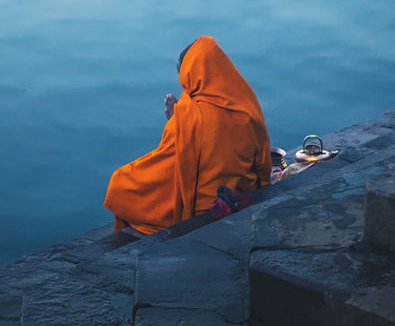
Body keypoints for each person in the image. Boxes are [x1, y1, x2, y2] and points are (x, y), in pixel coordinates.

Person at [103, 35, 271, 234]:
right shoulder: (248, 105)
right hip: (242, 195)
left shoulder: (188, 114)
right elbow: (263, 163)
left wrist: (177, 123)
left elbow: (172, 165)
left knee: (120, 185)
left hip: (203, 209)